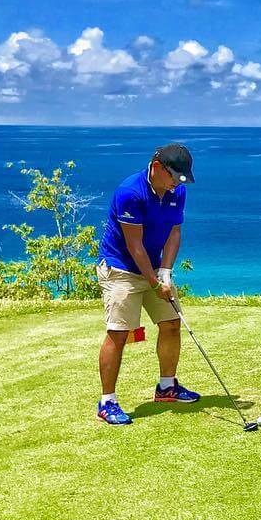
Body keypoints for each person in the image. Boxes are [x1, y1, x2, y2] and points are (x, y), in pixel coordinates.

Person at [95, 143, 201, 425]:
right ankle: (107, 402)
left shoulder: (177, 191)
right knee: (119, 333)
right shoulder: (130, 193)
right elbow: (135, 246)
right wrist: (154, 284)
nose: (176, 186)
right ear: (157, 168)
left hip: (153, 266)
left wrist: (165, 272)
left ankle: (167, 387)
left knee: (171, 323)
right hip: (121, 269)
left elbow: (174, 231)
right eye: (173, 178)